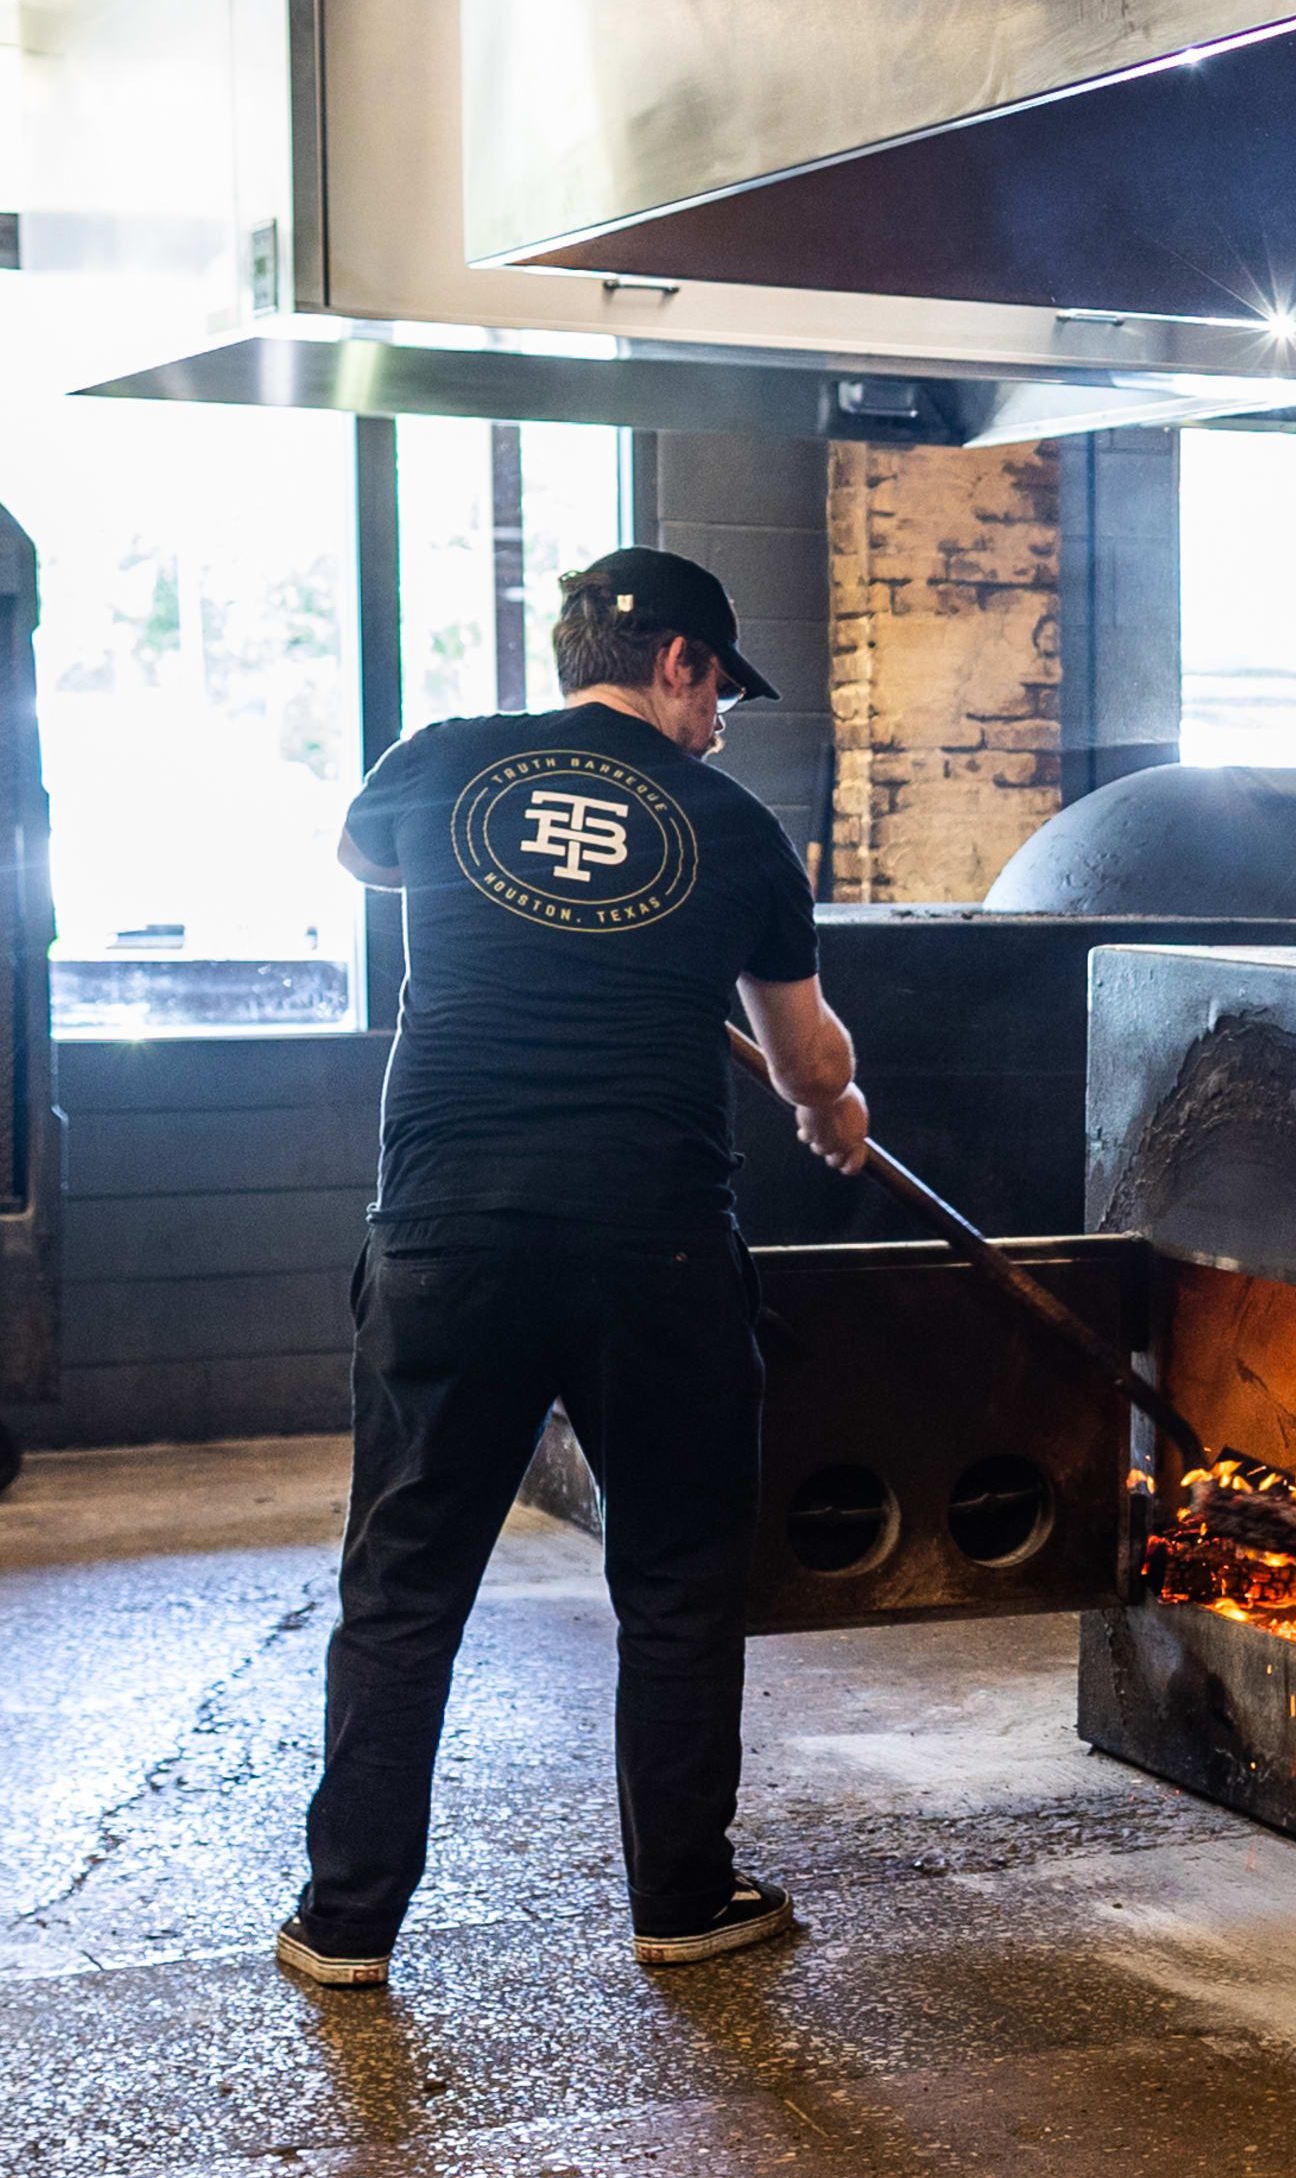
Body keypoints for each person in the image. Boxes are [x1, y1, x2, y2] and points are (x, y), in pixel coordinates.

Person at [280, 548, 870, 1988]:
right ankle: (681, 1900)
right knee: (675, 1578)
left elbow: (366, 857)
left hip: (445, 1233)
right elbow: (803, 1055)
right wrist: (833, 1107)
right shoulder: (730, 827)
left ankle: (345, 1925)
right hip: (650, 1241)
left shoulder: (440, 765)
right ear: (676, 660)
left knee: (403, 1585)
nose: (722, 718)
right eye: (720, 685)